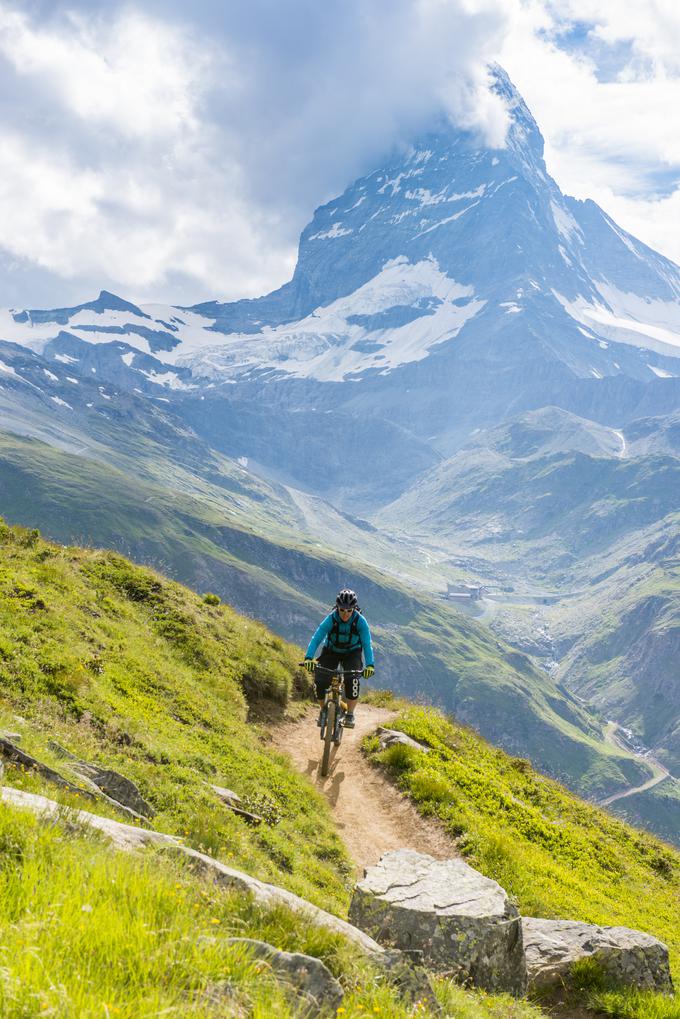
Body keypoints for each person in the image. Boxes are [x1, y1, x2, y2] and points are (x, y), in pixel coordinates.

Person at [302, 588, 374, 729]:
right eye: (342, 610)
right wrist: (308, 658)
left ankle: (350, 714)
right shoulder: (331, 619)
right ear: (337, 608)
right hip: (331, 651)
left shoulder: (360, 621)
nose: (345, 614)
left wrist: (370, 665)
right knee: (320, 680)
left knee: (353, 680)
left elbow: (366, 644)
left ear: (354, 609)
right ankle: (323, 710)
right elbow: (317, 638)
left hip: (352, 652)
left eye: (349, 610)